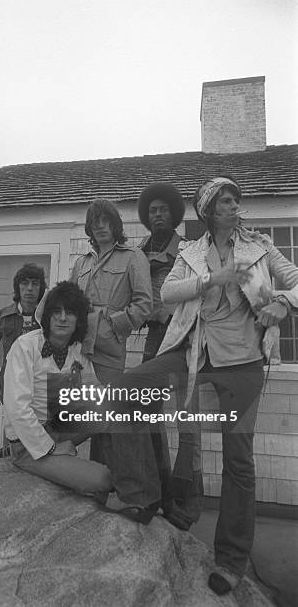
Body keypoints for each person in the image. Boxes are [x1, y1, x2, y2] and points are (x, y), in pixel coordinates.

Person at [107, 175, 298, 594]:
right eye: (225, 201)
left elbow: (295, 279)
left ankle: (230, 560)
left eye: (235, 200)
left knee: (238, 461)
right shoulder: (192, 251)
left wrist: (282, 303)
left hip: (243, 362)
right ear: (208, 210)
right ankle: (141, 492)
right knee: (123, 392)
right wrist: (213, 279)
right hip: (193, 351)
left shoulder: (260, 246)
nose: (233, 206)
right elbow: (171, 293)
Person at [3, 281, 160, 524]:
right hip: (28, 444)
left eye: (70, 313)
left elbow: (94, 394)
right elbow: (17, 409)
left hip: (61, 426)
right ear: (47, 316)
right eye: (56, 312)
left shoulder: (76, 350)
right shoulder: (24, 347)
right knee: (103, 479)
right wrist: (52, 448)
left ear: (79, 320)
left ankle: (141, 497)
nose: (63, 319)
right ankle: (111, 489)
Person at [70, 198, 152, 383]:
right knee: (76, 407)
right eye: (94, 222)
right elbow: (68, 301)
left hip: (108, 351)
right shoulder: (81, 262)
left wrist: (112, 327)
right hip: (76, 347)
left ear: (115, 224)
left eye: (105, 220)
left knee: (106, 407)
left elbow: (144, 304)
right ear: (89, 228)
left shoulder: (133, 257)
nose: (99, 226)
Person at [0, 263, 47, 403]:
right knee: (12, 424)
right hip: (11, 386)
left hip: (41, 387)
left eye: (35, 284)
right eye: (24, 283)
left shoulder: (48, 317)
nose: (29, 288)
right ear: (17, 287)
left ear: (41, 288)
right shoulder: (5, 315)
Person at [137, 182, 185, 362]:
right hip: (153, 329)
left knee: (179, 383)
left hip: (179, 329)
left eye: (163, 209)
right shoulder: (138, 251)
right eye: (153, 210)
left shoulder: (186, 249)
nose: (158, 214)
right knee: (148, 383)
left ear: (172, 213)